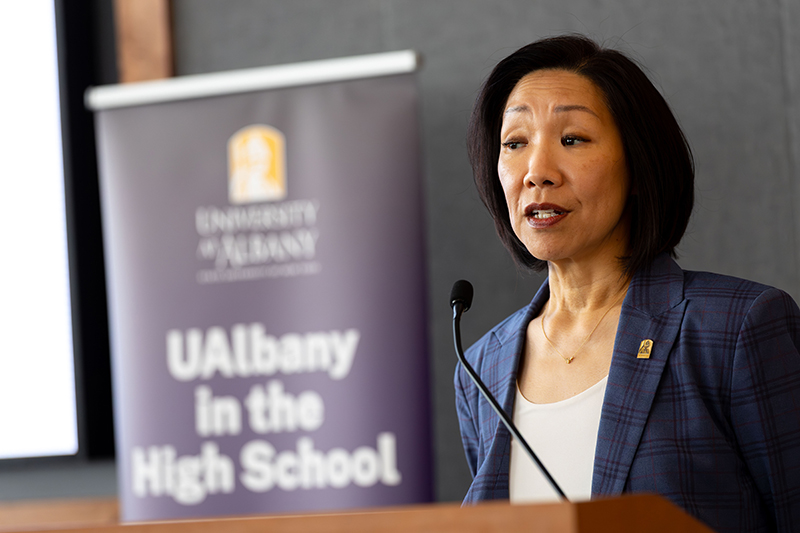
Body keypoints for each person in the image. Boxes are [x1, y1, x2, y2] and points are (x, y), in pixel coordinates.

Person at [454, 34, 800, 533]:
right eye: (515, 143)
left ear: (637, 164)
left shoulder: (734, 329)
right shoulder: (481, 367)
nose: (537, 172)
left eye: (572, 139)